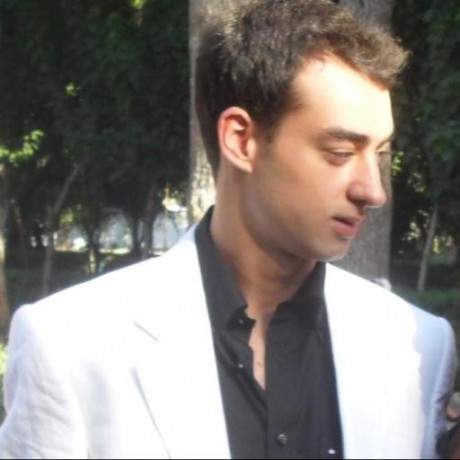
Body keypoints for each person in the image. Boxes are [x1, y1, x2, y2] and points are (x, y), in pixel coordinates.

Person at [0, 0, 456, 458]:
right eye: (339, 152)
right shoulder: (72, 345)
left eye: (380, 154)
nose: (372, 191)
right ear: (240, 139)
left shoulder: (416, 347)